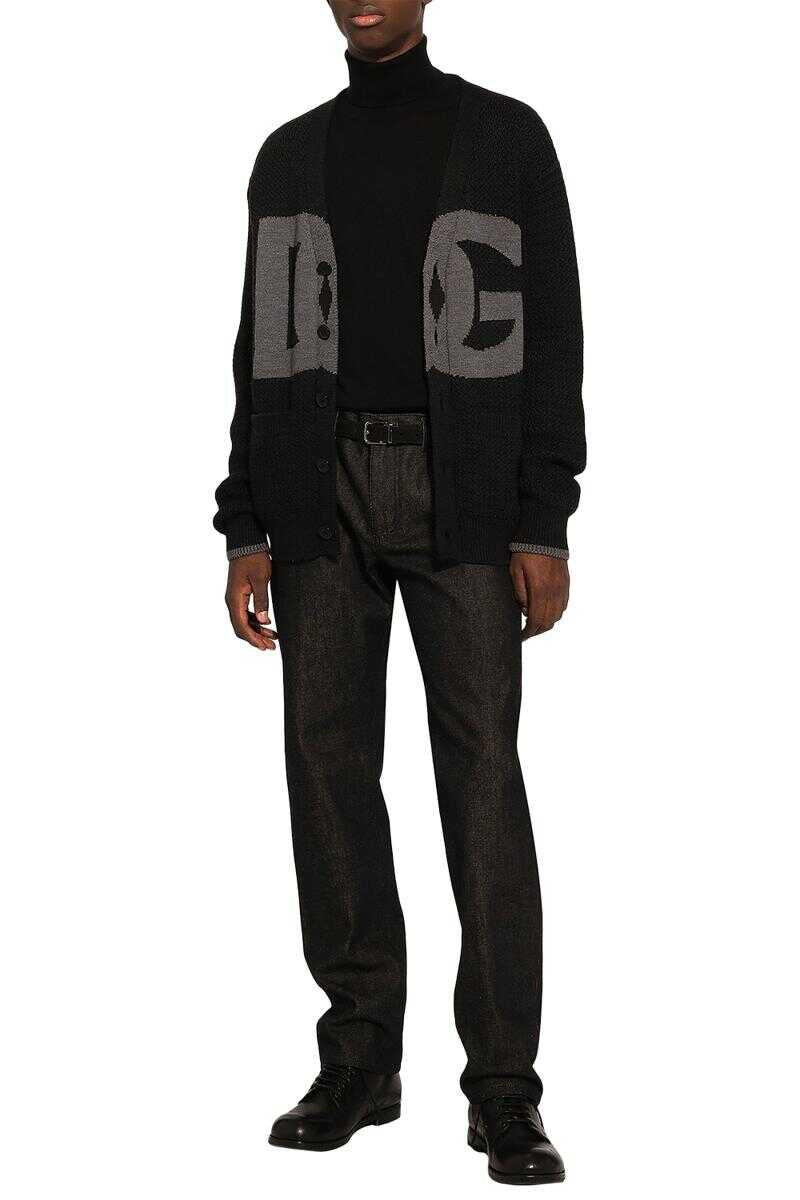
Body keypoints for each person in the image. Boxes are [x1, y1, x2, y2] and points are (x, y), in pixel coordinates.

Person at [213, 0, 585, 1185]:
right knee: (325, 773)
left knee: (480, 783)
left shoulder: (504, 139)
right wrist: (245, 520)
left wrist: (541, 516)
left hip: (463, 488)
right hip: (313, 488)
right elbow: (257, 346)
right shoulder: (289, 155)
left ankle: (504, 1092)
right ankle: (360, 1060)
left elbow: (553, 335)